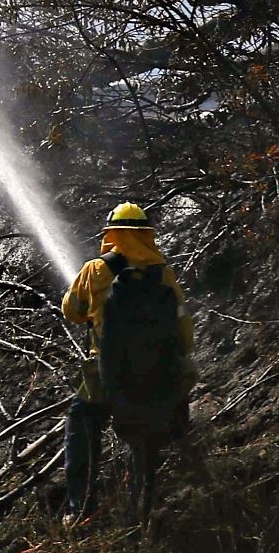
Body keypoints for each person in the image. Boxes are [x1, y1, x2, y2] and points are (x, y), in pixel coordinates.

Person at [60, 201, 197, 526]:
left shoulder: (95, 270)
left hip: (105, 374)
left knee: (81, 422)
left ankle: (78, 508)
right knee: (145, 435)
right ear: (147, 234)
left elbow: (72, 311)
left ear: (111, 234)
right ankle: (140, 507)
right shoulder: (164, 274)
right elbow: (184, 330)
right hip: (156, 371)